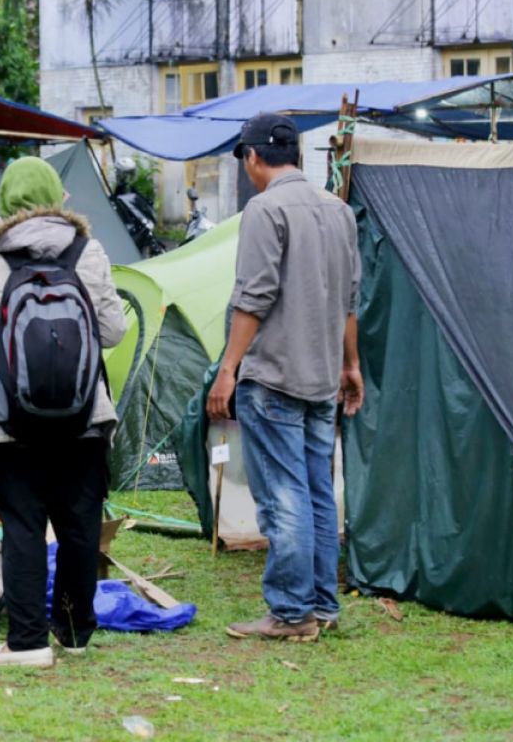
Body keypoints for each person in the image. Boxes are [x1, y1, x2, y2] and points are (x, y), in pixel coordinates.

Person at [0, 156, 127, 667]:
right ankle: (73, 631)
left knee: (22, 526)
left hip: (5, 417)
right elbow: (113, 331)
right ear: (54, 194)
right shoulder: (87, 251)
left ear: (5, 200)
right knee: (79, 524)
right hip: (82, 415)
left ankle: (26, 643)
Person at [206, 113, 363, 643]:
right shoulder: (338, 211)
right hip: (323, 380)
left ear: (252, 157)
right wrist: (351, 365)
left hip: (273, 378)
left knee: (285, 497)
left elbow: (253, 297)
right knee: (318, 491)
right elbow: (349, 300)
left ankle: (293, 614)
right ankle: (322, 606)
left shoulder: (264, 209)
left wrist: (227, 371)